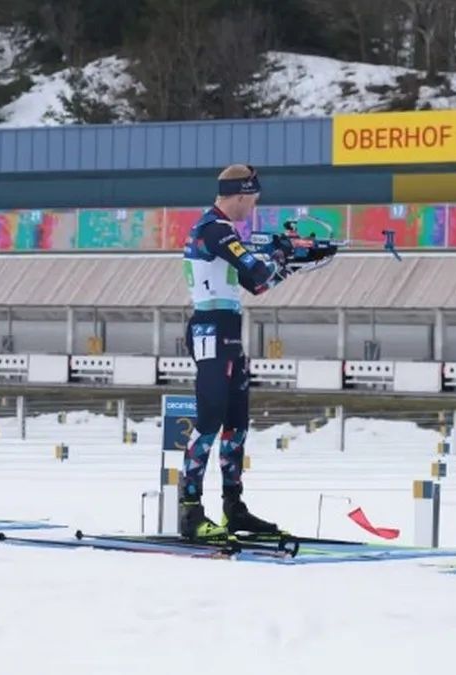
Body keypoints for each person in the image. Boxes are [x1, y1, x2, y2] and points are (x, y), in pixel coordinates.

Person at [178, 164, 295, 540]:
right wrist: (280, 257)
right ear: (241, 195)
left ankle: (234, 507)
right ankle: (190, 511)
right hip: (210, 328)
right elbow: (254, 269)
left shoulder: (222, 231)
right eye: (252, 200)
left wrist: (288, 264)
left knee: (236, 424)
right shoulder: (215, 229)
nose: (253, 207)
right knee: (210, 419)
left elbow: (257, 285)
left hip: (228, 328)